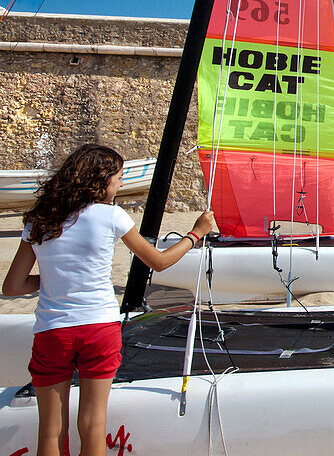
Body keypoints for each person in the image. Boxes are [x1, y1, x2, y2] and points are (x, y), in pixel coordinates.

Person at [2, 144, 214, 456]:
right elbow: (158, 261)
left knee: (50, 431)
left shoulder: (39, 220)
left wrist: (56, 277)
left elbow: (13, 286)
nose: (121, 183)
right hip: (99, 329)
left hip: (53, 331)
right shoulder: (112, 216)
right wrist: (195, 233)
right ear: (100, 180)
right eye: (118, 177)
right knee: (92, 426)